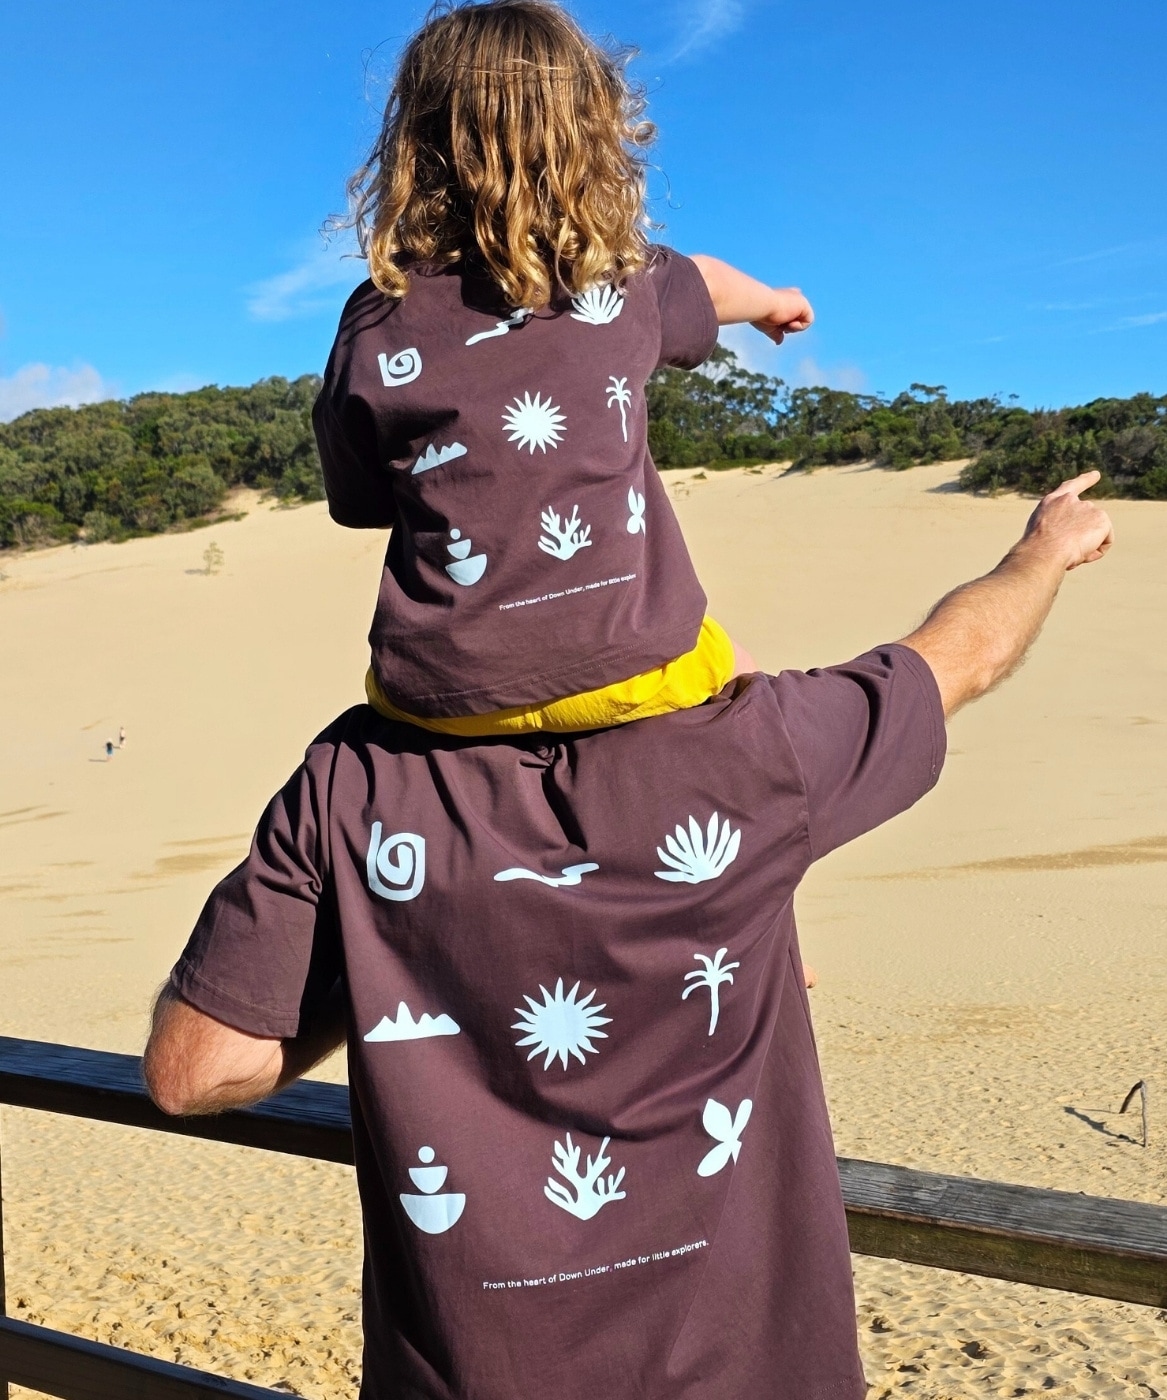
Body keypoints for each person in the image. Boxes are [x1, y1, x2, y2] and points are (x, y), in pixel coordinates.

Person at [144, 469, 1113, 1399]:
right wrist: (1042, 550)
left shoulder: (351, 780)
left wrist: (401, 957)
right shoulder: (753, 748)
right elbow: (965, 653)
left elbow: (200, 1067)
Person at [310, 1, 811, 741]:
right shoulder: (624, 279)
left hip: (438, 692)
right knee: (747, 683)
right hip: (634, 662)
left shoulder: (374, 314)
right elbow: (706, 282)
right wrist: (774, 302)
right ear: (593, 133)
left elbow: (359, 503)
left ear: (415, 147)